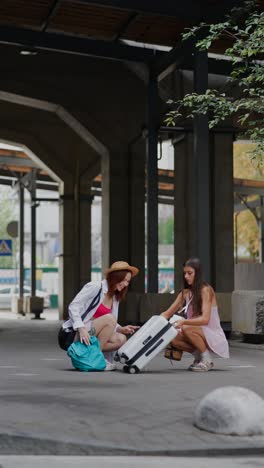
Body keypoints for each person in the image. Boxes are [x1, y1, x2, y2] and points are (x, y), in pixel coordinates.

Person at [62, 261, 140, 371]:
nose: (125, 284)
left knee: (121, 339)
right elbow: (73, 306)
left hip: (92, 333)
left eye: (128, 281)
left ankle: (89, 357)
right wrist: (81, 328)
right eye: (123, 280)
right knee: (110, 318)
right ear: (114, 277)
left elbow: (108, 322)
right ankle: (95, 359)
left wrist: (121, 328)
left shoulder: (114, 297)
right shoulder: (95, 287)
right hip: (79, 333)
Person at [161, 257, 229, 372]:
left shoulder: (206, 290)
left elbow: (205, 319)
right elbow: (167, 313)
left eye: (190, 273)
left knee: (186, 327)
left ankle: (207, 360)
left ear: (198, 274)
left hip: (212, 334)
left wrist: (183, 322)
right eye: (185, 273)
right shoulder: (185, 293)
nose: (186, 276)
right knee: (171, 335)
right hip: (195, 331)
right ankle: (199, 357)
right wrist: (152, 326)